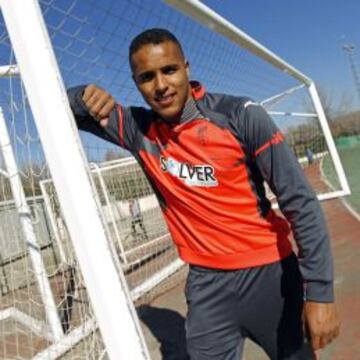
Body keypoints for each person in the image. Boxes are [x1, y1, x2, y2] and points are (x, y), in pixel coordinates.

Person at [67, 28, 339, 360]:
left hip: (272, 277)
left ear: (186, 67)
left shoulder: (240, 115)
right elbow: (62, 108)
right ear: (136, 83)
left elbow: (300, 202)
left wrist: (321, 294)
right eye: (147, 77)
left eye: (169, 70)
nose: (161, 85)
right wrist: (83, 96)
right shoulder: (138, 130)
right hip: (207, 288)